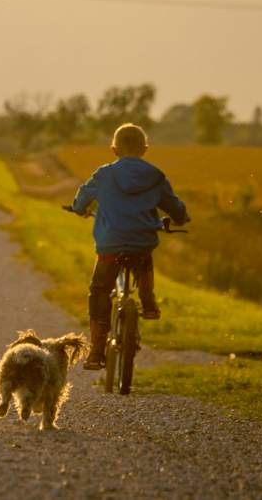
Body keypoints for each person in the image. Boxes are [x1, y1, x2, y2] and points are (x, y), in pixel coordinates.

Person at [70, 123, 189, 370]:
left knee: (100, 291)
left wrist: (80, 209)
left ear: (114, 149)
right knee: (144, 254)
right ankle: (147, 299)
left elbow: (82, 198)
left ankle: (97, 351)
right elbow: (175, 206)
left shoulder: (103, 174)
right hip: (142, 242)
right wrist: (180, 218)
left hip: (110, 246)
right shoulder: (156, 176)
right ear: (145, 150)